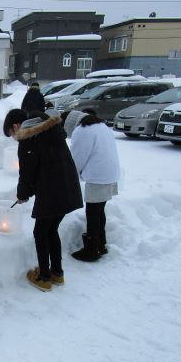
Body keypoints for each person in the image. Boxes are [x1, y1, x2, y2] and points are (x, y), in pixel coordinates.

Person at [3, 109, 83, 292]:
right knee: (51, 230)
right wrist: (27, 192)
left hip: (52, 192)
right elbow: (43, 165)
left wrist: (22, 194)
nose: (14, 138)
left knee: (40, 233)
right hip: (68, 188)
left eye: (11, 134)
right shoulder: (50, 131)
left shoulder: (28, 139)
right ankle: (57, 273)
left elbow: (28, 173)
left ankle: (44, 277)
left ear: (16, 126)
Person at [63, 111, 120, 261]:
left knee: (93, 213)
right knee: (99, 210)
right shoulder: (102, 125)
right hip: (110, 174)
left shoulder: (82, 130)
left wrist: (70, 176)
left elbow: (77, 158)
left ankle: (92, 250)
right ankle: (101, 244)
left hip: (98, 176)